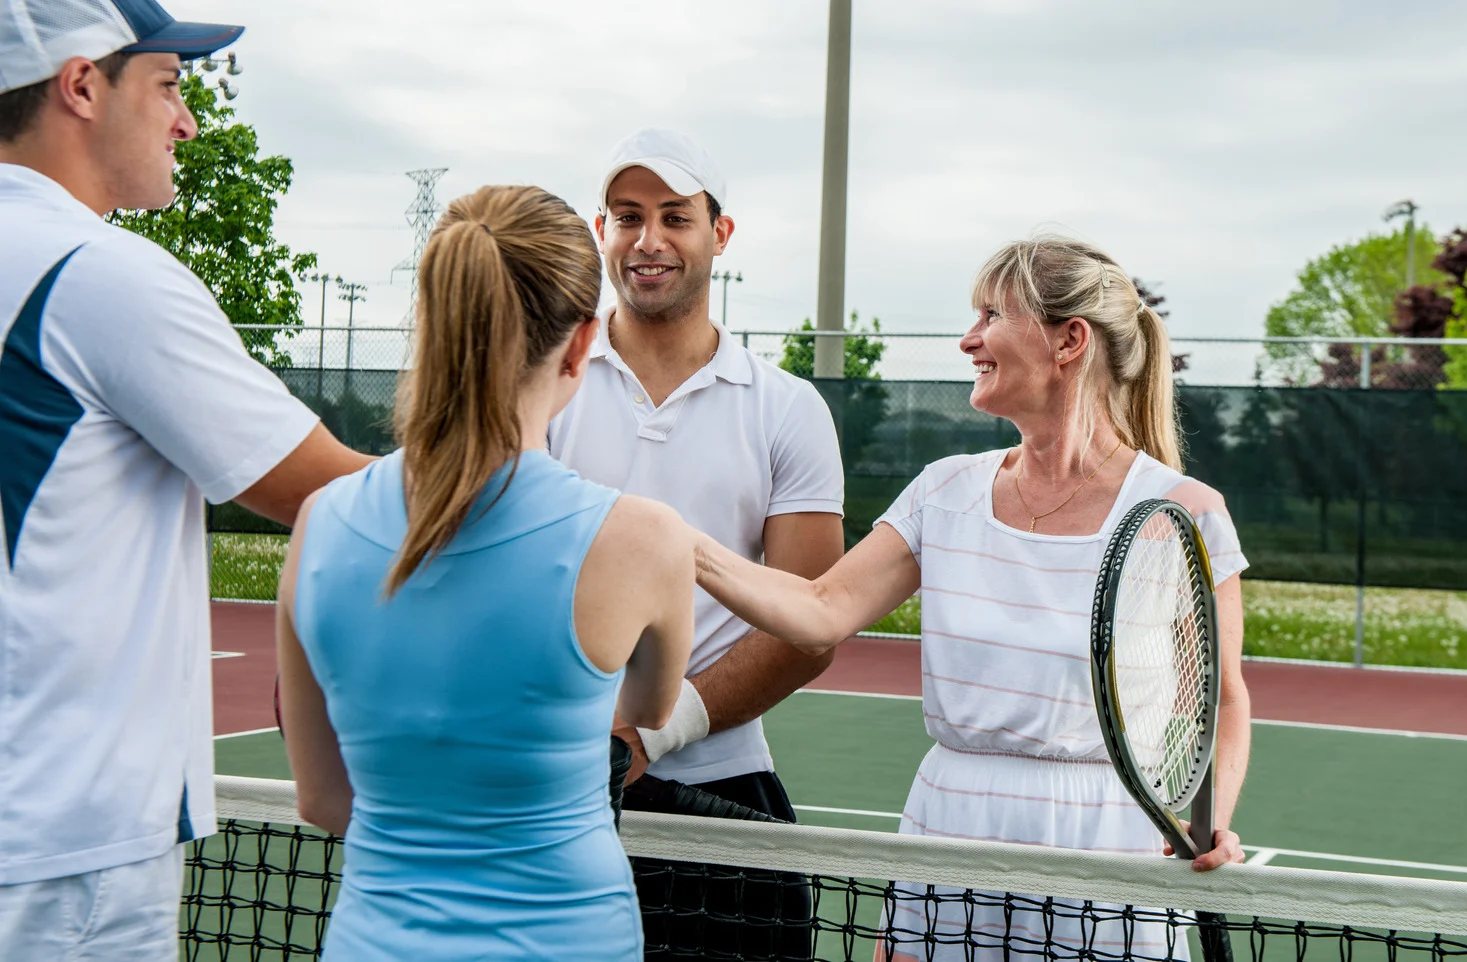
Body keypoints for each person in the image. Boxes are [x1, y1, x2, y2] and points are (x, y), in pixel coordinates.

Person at [692, 236, 1252, 959]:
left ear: (1068, 340)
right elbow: (822, 609)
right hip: (949, 825)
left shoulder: (1184, 511)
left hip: (1112, 842)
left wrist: (1208, 822)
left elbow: (1222, 700)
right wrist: (683, 549)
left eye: (991, 314)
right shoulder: (943, 490)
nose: (969, 339)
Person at [0, 4, 370, 958]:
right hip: (64, 855)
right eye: (167, 84)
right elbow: (345, 500)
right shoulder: (98, 274)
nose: (187, 119)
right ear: (82, 86)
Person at [275, 184, 696, 961]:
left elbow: (324, 802)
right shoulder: (646, 542)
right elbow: (649, 706)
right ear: (581, 345)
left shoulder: (319, 525)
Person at [548, 129, 845, 957]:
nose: (648, 241)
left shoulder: (786, 410)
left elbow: (809, 625)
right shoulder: (539, 383)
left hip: (724, 801)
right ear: (600, 230)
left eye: (675, 217)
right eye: (627, 217)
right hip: (554, 799)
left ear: (721, 233)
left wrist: (657, 732)